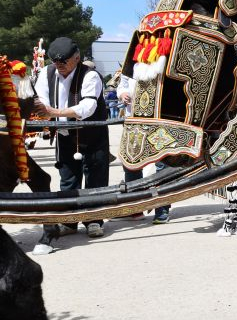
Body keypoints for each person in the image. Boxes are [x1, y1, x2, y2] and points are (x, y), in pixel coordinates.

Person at [33, 37, 109, 238]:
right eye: (55, 63)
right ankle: (69, 220)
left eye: (63, 63)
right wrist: (44, 112)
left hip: (92, 134)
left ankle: (94, 220)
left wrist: (54, 113)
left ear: (76, 58)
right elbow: (41, 99)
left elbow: (88, 107)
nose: (59, 67)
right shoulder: (46, 73)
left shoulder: (90, 75)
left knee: (96, 179)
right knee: (68, 179)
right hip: (66, 134)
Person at [117, 73, 171, 224]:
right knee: (131, 164)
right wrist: (123, 94)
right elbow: (122, 84)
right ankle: (135, 207)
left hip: (159, 119)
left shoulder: (164, 55)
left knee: (162, 164)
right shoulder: (132, 60)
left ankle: (162, 207)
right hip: (134, 119)